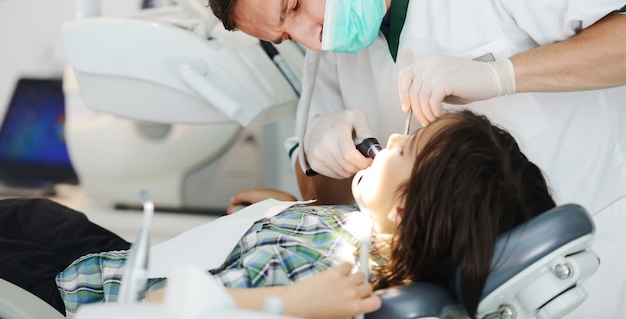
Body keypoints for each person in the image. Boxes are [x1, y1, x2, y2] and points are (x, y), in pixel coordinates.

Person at [202, 0, 626, 316]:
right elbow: (327, 198)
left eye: (294, 5)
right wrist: (317, 159)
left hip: (603, 246)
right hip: (478, 293)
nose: (312, 40)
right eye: (286, 37)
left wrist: (503, 75)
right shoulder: (331, 49)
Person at [0, 110, 555, 319]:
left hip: (70, 293)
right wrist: (280, 214)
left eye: (405, 149)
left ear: (406, 207)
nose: (390, 137)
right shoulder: (372, 241)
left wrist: (287, 301)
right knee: (38, 213)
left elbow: (157, 313)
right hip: (104, 258)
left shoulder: (315, 284)